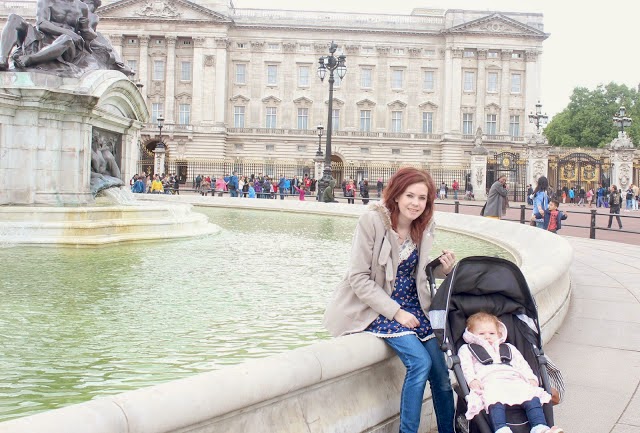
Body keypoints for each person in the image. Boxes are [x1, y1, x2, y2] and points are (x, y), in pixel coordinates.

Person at [323, 167, 456, 433]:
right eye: (410, 196)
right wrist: (396, 312)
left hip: (415, 305)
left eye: (422, 198)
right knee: (420, 362)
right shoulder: (372, 221)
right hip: (379, 307)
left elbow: (417, 271)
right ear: (396, 195)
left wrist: (444, 269)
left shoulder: (425, 224)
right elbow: (359, 278)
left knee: (442, 375)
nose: (416, 203)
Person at [459, 312, 563, 433]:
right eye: (481, 334)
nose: (487, 337)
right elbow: (466, 367)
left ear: (499, 333)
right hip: (489, 381)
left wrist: (530, 378)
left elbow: (522, 364)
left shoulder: (509, 348)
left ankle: (540, 427)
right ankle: (501, 429)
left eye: (492, 333)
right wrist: (472, 380)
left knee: (531, 394)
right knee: (492, 397)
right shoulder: (467, 349)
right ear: (471, 334)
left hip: (514, 379)